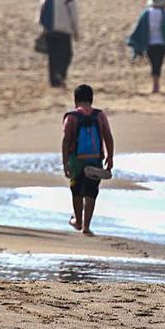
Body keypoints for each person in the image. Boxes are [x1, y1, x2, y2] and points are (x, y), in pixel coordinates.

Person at [62, 84, 114, 236]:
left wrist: (65, 163)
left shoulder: (71, 117)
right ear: (91, 99)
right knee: (91, 191)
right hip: (95, 159)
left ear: (75, 100)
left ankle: (77, 221)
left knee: (76, 190)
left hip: (76, 160)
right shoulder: (99, 115)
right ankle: (86, 226)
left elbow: (66, 140)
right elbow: (108, 135)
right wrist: (110, 157)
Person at [126, 0, 165, 94]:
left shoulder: (147, 13)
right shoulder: (164, 13)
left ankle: (155, 84)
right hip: (161, 43)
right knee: (158, 64)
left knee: (153, 63)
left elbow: (140, 27)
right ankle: (156, 85)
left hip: (149, 43)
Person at [37, 0, 80, 88]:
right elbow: (74, 16)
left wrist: (42, 28)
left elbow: (40, 11)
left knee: (52, 57)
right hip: (64, 32)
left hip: (49, 31)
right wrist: (76, 32)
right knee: (66, 55)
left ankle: (53, 81)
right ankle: (60, 75)